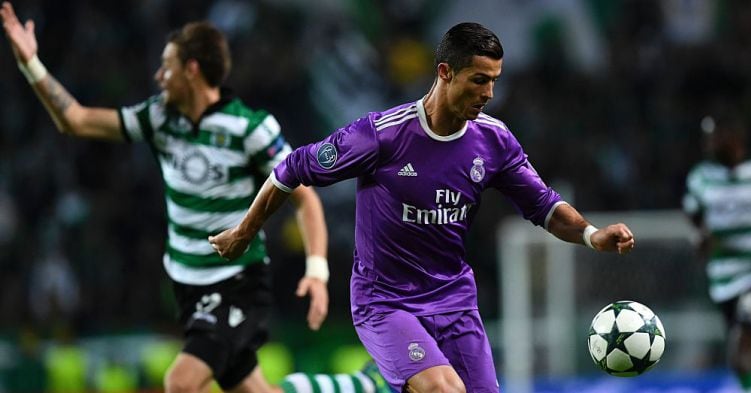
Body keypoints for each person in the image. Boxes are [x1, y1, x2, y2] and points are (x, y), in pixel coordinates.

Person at [209, 22, 635, 392]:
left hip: (454, 301)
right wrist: (244, 232)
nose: (488, 93)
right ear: (445, 72)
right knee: (444, 389)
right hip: (386, 302)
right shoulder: (381, 136)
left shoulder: (494, 140)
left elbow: (543, 206)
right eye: (478, 80)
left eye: (494, 81)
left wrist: (589, 234)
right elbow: (291, 169)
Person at [1, 3, 390, 393]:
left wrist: (317, 271)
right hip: (190, 287)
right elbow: (77, 120)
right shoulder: (160, 119)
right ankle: (364, 386)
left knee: (181, 383)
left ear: (192, 71)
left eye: (166, 67)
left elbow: (304, 198)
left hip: (236, 283)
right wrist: (31, 65)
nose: (158, 76)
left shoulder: (249, 129)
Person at [683, 114, 751, 392]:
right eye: (706, 136)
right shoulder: (701, 177)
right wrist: (701, 239)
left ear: (735, 136)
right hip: (724, 281)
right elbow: (695, 218)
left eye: (715, 135)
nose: (709, 142)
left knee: (744, 349)